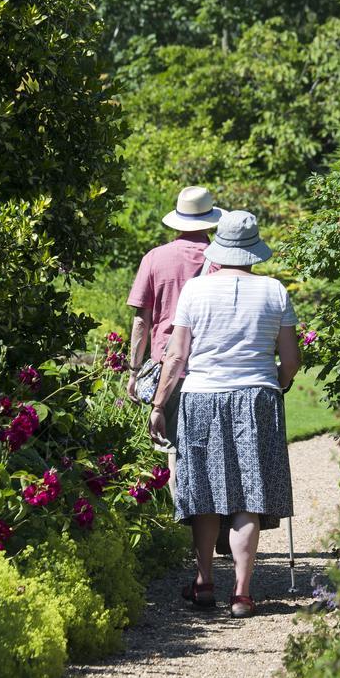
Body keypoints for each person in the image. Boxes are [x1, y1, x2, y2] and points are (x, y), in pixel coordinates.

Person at [148, 210, 301, 618]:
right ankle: (243, 592)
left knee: (204, 493)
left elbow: (177, 355)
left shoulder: (195, 291)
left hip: (201, 398)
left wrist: (159, 405)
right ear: (253, 250)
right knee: (248, 494)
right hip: (256, 398)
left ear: (220, 246)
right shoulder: (275, 291)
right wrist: (278, 384)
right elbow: (290, 359)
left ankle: (204, 583)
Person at [126, 186, 224, 498]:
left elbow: (142, 320)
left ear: (176, 221)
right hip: (210, 368)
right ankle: (217, 527)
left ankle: (182, 527)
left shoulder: (155, 258)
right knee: (212, 450)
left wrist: (133, 371)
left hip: (167, 368)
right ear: (209, 223)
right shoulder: (223, 263)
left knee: (175, 453)